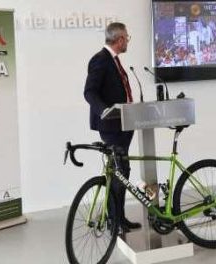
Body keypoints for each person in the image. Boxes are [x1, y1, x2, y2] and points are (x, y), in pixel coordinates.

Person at [84, 22, 141, 233]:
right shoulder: (100, 60)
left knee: (121, 171)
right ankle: (114, 220)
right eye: (127, 37)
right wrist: (105, 110)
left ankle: (120, 218)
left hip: (124, 124)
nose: (127, 41)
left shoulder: (114, 61)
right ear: (119, 40)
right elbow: (90, 92)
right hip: (111, 125)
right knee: (118, 172)